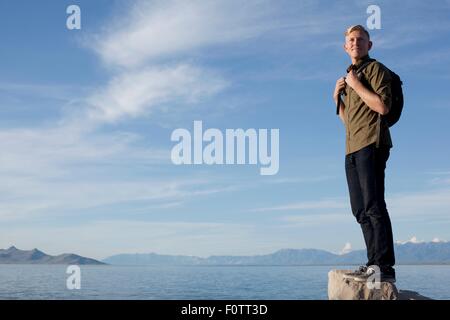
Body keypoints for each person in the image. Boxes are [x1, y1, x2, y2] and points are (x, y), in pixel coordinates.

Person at [333, 25, 396, 282]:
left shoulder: (375, 70)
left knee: (373, 205)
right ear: (345, 47)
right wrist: (337, 98)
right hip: (352, 147)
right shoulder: (350, 75)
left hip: (372, 143)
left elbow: (382, 106)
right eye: (351, 40)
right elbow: (350, 121)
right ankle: (373, 264)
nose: (356, 42)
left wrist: (356, 85)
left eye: (361, 39)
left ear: (369, 45)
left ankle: (385, 269)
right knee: (359, 209)